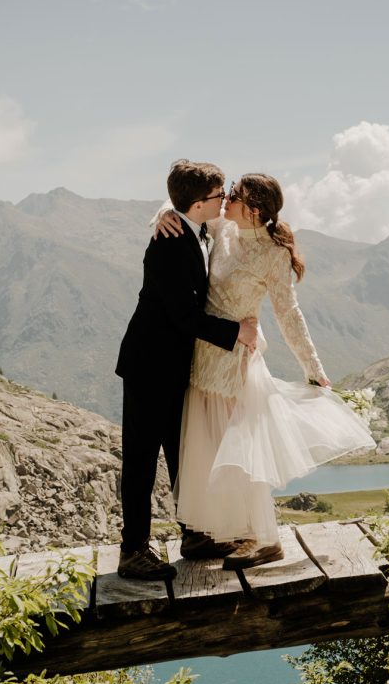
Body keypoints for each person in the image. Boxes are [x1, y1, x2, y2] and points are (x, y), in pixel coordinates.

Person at [155, 173, 375, 569]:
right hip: (203, 358)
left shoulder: (273, 255)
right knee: (211, 452)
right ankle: (231, 533)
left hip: (237, 363)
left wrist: (313, 367)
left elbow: (289, 315)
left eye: (234, 195)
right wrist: (163, 215)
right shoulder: (223, 228)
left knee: (242, 455)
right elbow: (188, 210)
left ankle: (265, 540)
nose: (226, 199)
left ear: (254, 209)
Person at [114, 159, 259, 580]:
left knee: (183, 455)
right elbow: (184, 317)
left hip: (175, 367)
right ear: (198, 204)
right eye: (218, 195)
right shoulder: (169, 245)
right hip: (148, 367)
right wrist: (237, 333)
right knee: (141, 461)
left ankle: (194, 534)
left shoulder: (193, 226)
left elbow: (177, 204)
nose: (224, 200)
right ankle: (132, 551)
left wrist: (163, 210)